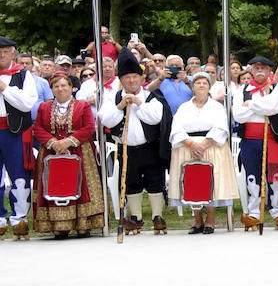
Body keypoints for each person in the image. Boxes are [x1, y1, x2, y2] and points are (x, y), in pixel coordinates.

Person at [99, 49, 169, 235]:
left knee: (155, 180)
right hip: (126, 149)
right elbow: (107, 120)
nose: (131, 81)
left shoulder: (151, 96)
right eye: (127, 77)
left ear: (141, 78)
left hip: (150, 147)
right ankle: (136, 217)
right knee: (130, 181)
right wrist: (121, 106)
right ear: (121, 79)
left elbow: (155, 118)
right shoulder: (112, 98)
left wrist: (138, 103)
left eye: (135, 77)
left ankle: (157, 217)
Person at [30, 72, 103, 238]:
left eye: (64, 85)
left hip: (79, 151)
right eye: (56, 86)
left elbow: (89, 128)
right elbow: (38, 128)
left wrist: (68, 142)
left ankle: (84, 224)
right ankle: (59, 225)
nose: (60, 89)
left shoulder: (82, 106)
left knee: (81, 184)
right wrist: (54, 143)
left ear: (71, 88)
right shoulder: (44, 107)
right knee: (55, 183)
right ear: (52, 90)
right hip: (51, 152)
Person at [168, 71, 237, 234]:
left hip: (211, 147)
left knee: (212, 182)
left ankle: (210, 221)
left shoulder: (216, 107)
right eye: (197, 83)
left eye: (204, 83)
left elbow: (221, 127)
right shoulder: (184, 107)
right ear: (192, 87)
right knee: (192, 183)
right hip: (188, 147)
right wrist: (191, 144)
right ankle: (197, 220)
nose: (201, 85)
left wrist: (204, 145)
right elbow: (176, 128)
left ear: (209, 86)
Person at [232, 56, 278, 230]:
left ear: (269, 71)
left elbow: (274, 107)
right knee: (252, 175)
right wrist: (261, 106)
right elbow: (238, 115)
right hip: (249, 140)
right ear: (251, 70)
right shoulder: (242, 89)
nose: (260, 71)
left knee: (274, 176)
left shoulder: (277, 87)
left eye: (263, 68)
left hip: (272, 139)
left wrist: (250, 104)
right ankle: (254, 212)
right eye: (256, 68)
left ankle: (277, 211)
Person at [0, 35, 38, 238]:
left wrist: (5, 88)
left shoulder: (23, 76)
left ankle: (20, 219)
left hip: (13, 131)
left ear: (13, 53)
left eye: (5, 51)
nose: (1, 55)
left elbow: (26, 104)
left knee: (19, 176)